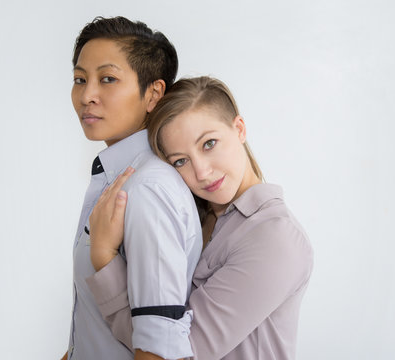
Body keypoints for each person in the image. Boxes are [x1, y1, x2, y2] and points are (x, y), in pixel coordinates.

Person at [87, 76, 314, 359]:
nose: (202, 172)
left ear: (239, 128)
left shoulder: (274, 238)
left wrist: (104, 257)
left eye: (209, 144)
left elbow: (174, 352)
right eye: (181, 160)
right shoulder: (194, 217)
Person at [62, 17, 202, 360]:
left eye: (107, 79)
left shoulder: (147, 188)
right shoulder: (120, 176)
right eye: (80, 79)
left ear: (153, 93)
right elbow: (93, 328)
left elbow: (160, 349)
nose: (87, 95)